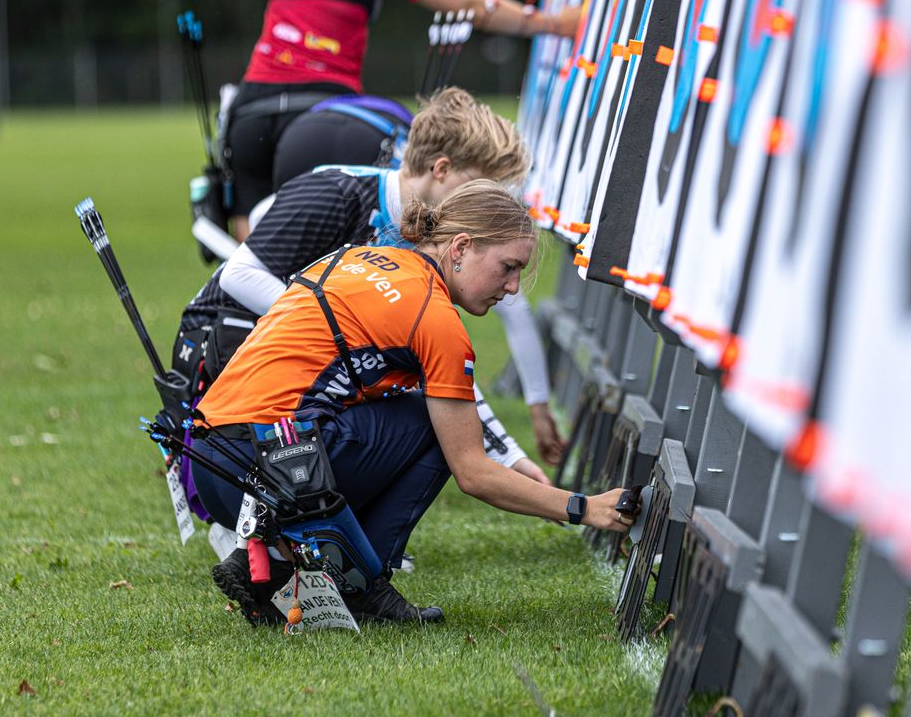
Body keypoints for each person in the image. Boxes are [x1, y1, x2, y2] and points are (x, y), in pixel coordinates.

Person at [193, 180, 632, 625]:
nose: (514, 287)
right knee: (432, 428)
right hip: (267, 468)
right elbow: (472, 471)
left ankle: (276, 564)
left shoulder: (360, 256)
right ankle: (358, 586)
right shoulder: (435, 318)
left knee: (403, 412)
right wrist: (583, 507)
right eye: (508, 267)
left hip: (211, 463)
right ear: (461, 247)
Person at [174, 89, 564, 487]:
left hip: (288, 363)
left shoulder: (430, 242)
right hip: (220, 349)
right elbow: (237, 275)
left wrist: (510, 456)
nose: (490, 205)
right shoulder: (338, 192)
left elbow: (441, 365)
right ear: (442, 169)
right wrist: (337, 323)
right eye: (482, 189)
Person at [221, 0, 583, 239]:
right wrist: (553, 23)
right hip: (321, 112)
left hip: (250, 111)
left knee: (254, 252)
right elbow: (474, 6)